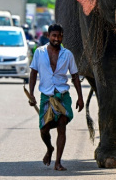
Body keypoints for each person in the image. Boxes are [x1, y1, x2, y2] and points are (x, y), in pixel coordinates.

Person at [28, 24, 84, 171]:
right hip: (46, 95)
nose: (57, 39)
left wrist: (80, 97)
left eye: (59, 36)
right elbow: (33, 73)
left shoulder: (68, 54)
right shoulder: (39, 53)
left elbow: (75, 76)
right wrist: (31, 93)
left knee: (61, 126)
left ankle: (58, 162)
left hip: (62, 96)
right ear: (48, 36)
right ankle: (49, 148)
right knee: (44, 129)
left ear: (62, 36)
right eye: (54, 36)